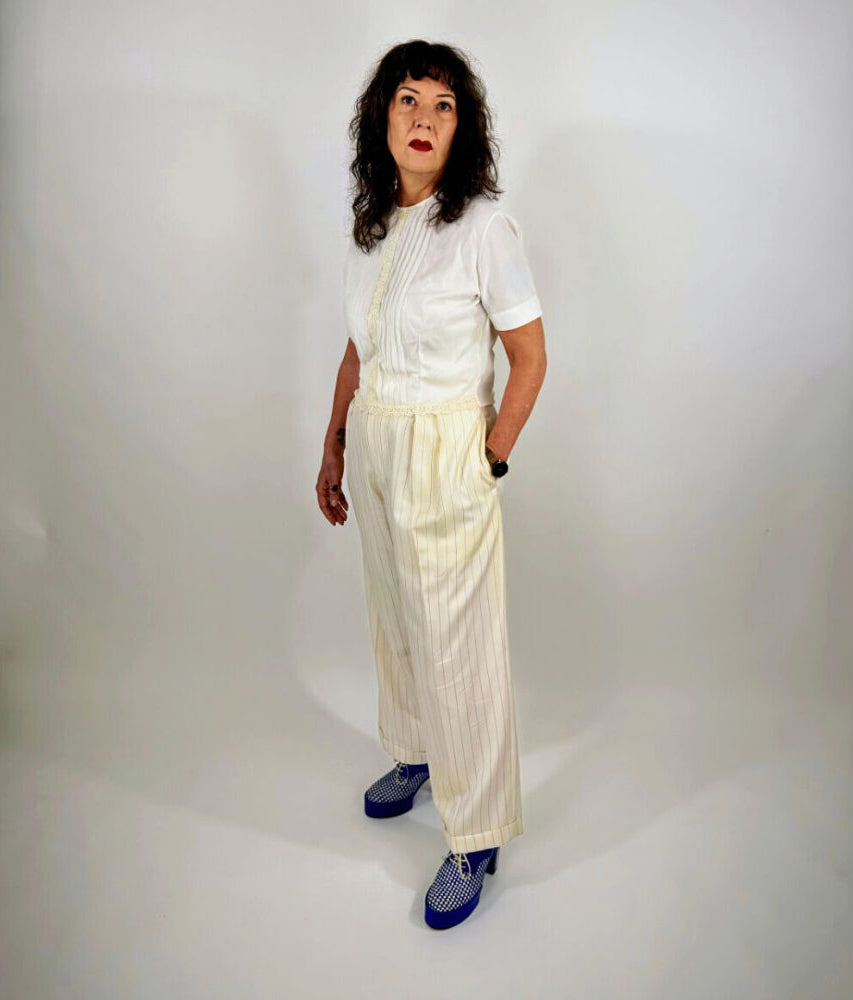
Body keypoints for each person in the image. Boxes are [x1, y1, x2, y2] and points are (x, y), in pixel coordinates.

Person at [316, 40, 547, 930]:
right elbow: (358, 349)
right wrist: (335, 444)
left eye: (442, 105)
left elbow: (528, 355)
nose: (422, 118)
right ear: (381, 119)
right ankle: (415, 752)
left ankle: (476, 833)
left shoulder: (483, 228)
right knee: (396, 616)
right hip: (377, 441)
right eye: (407, 99)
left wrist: (490, 455)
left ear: (463, 129)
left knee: (457, 643)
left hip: (446, 447)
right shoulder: (373, 227)